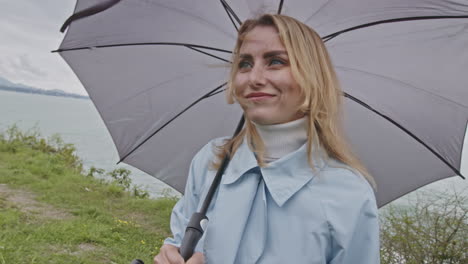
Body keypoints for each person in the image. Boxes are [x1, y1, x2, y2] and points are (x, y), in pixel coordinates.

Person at [154, 14, 379, 264]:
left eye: (275, 61)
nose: (254, 78)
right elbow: (179, 241)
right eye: (245, 64)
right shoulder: (212, 159)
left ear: (312, 75)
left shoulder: (349, 194)